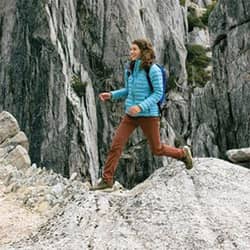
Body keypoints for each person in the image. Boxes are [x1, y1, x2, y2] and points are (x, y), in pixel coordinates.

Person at [90, 38, 193, 191]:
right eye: (130, 49)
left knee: (157, 149)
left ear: (143, 51)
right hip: (130, 116)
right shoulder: (130, 68)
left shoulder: (153, 69)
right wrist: (111, 95)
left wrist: (140, 107)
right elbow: (128, 91)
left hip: (149, 115)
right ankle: (107, 180)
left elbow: (158, 93)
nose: (131, 52)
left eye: (134, 49)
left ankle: (182, 154)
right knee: (116, 145)